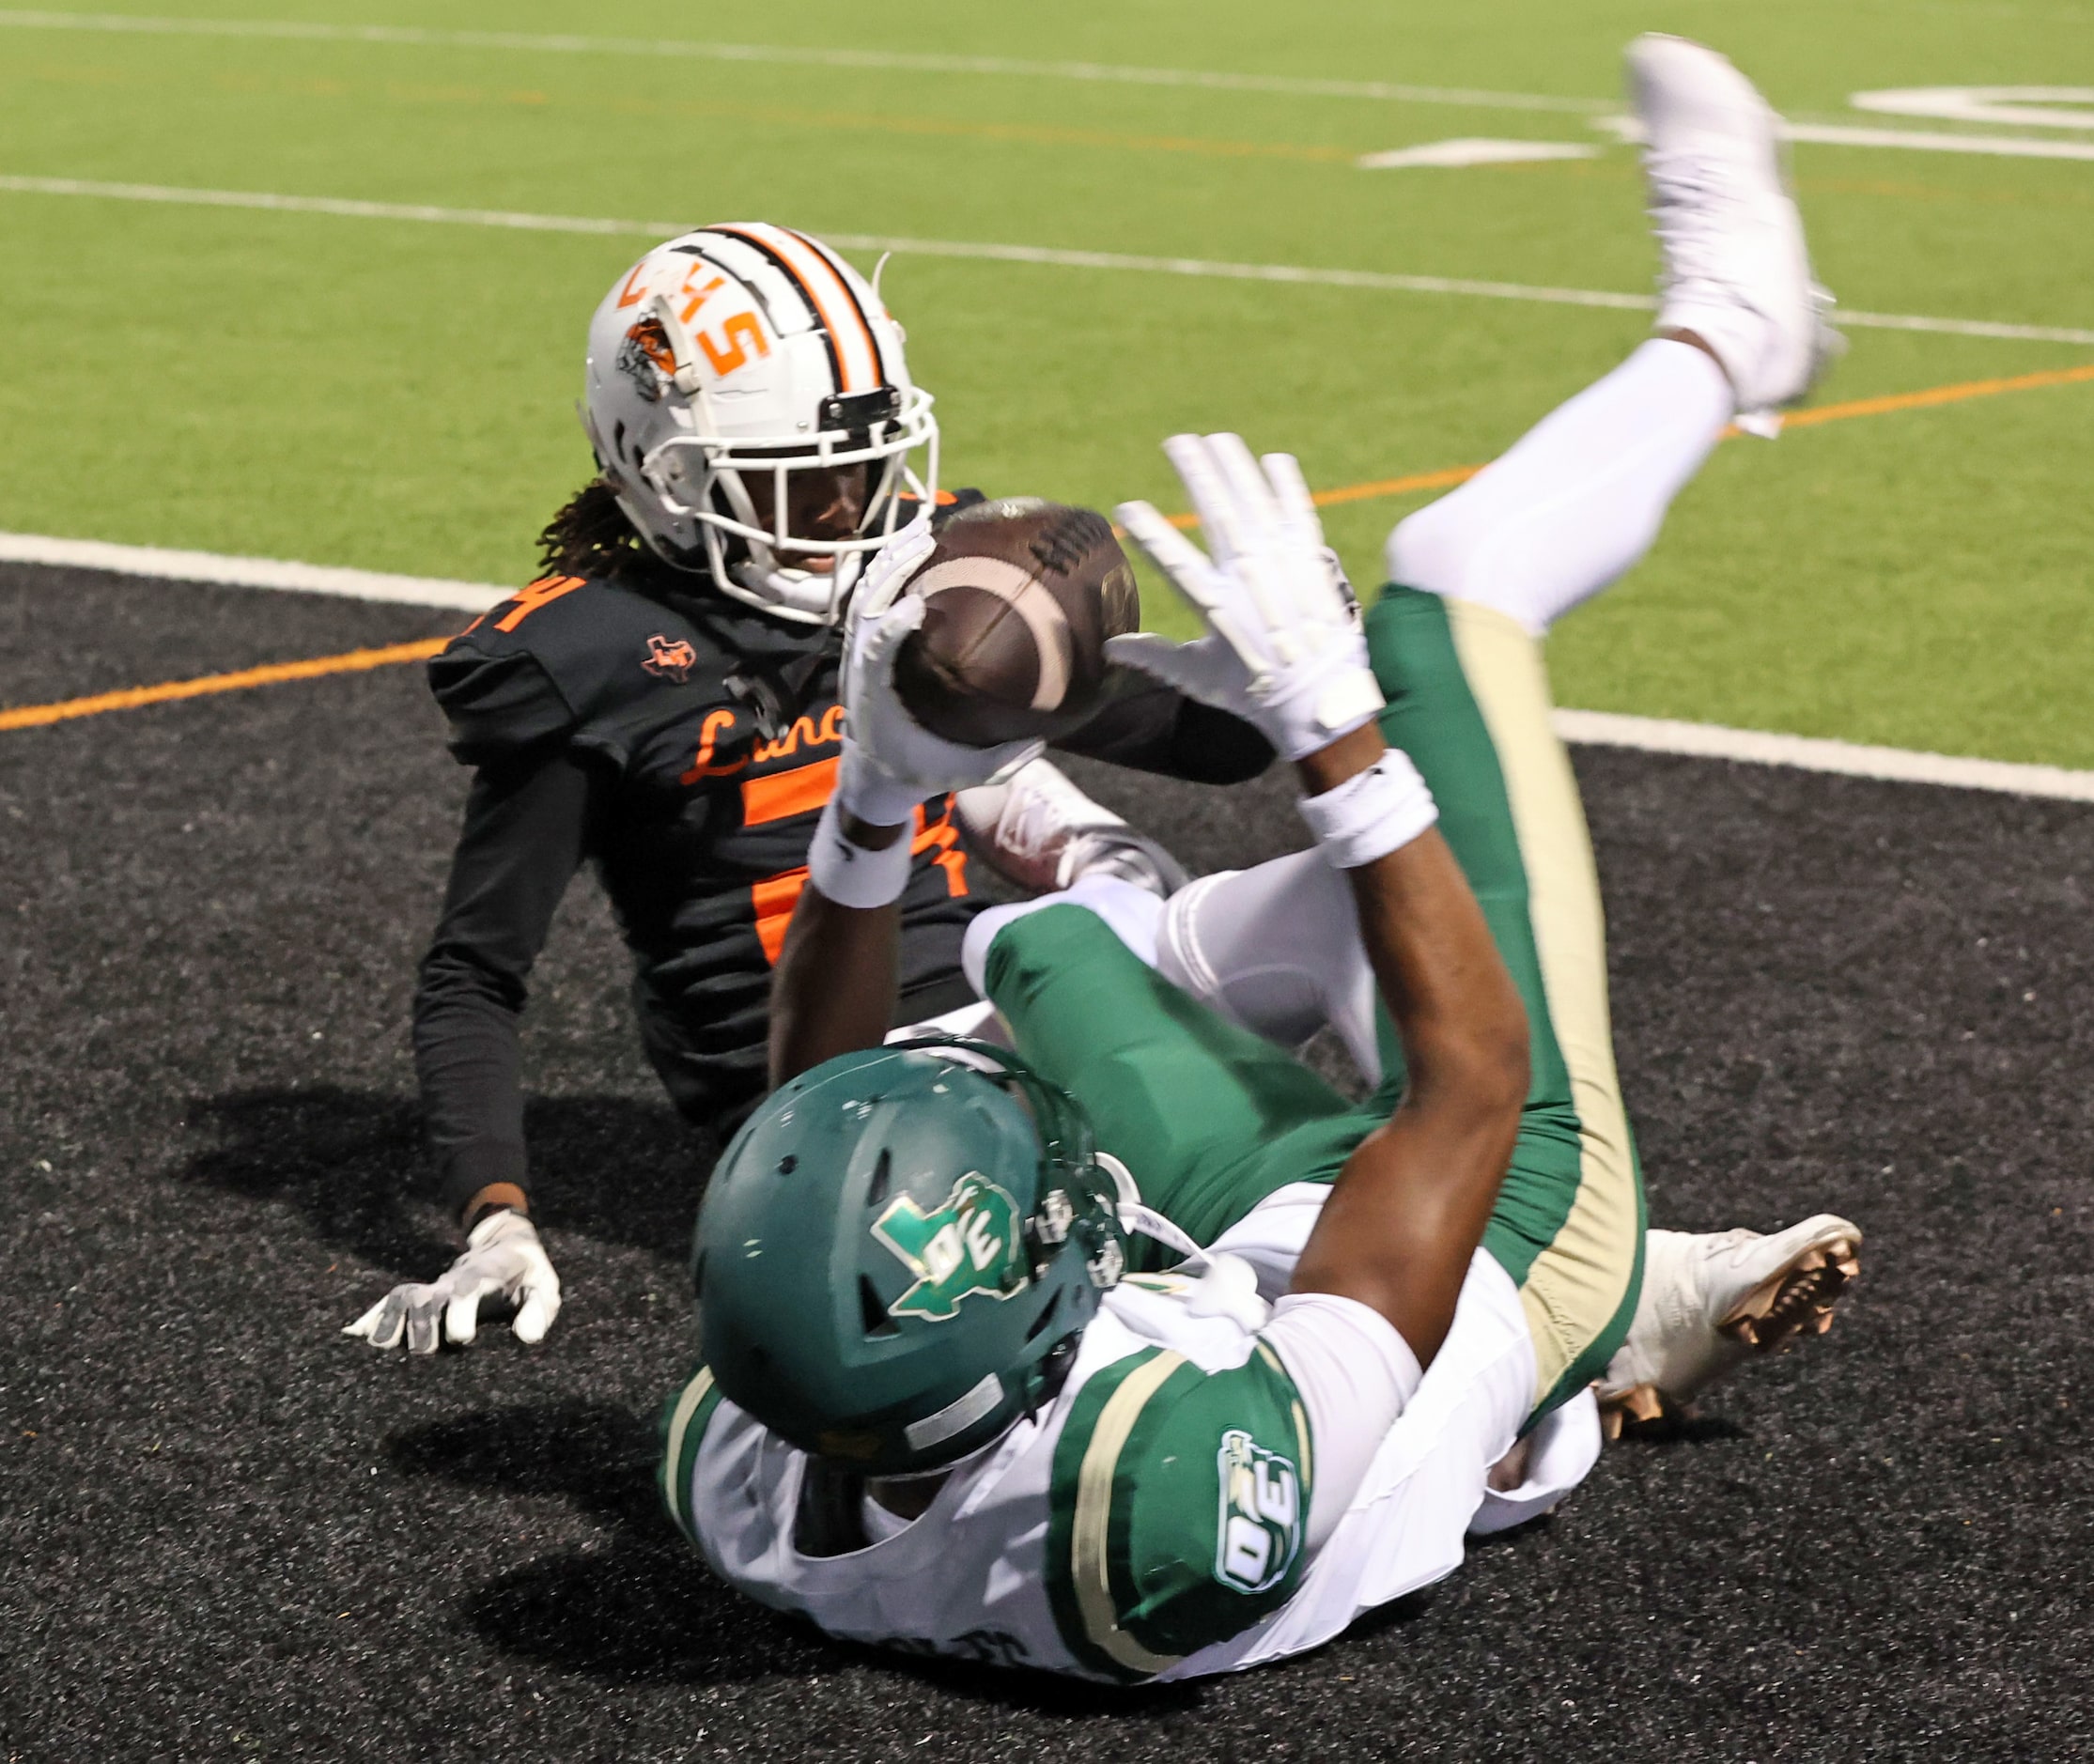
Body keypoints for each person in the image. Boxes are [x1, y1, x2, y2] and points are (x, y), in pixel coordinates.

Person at [657, 36, 1864, 1681]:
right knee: (1446, 589)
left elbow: (813, 1109)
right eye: (1046, 1214)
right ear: (1028, 1331)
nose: (1067, 1182)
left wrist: (875, 796)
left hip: (1240, 1288)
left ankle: (1589, 1348)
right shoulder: (1163, 1495)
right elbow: (1468, 1094)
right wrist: (1338, 736)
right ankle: (1736, 326)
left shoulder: (756, 1457)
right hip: (1492, 1250)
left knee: (1033, 959)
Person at [345, 222, 1266, 1354]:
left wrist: (1271, 688)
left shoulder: (917, 572)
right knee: (1182, 1220)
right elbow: (473, 973)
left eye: (862, 467)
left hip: (1006, 978)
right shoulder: (595, 663)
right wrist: (495, 1217)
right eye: (799, 482)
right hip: (834, 1090)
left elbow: (1197, 745)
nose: (847, 511)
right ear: (666, 475)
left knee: (1310, 917)